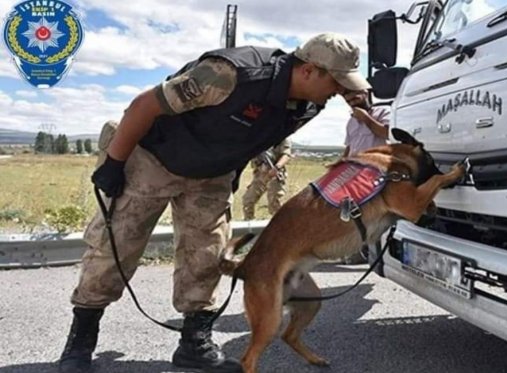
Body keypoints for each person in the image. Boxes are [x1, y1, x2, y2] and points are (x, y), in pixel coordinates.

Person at [58, 32, 371, 373]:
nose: (341, 91)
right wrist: (114, 163)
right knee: (116, 245)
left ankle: (194, 343)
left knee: (208, 254)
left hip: (211, 175)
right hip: (154, 159)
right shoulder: (231, 73)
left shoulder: (310, 103)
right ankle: (81, 342)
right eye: (338, 82)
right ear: (309, 71)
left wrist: (232, 172)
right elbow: (143, 106)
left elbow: (257, 135)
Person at [341, 89, 390, 264]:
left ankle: (376, 255)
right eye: (346, 97)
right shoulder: (350, 122)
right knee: (354, 215)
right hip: (354, 177)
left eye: (354, 95)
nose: (350, 99)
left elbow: (387, 133)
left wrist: (366, 119)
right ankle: (359, 252)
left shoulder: (383, 111)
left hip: (376, 175)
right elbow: (349, 147)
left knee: (374, 216)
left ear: (367, 92)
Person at [242, 138, 292, 220]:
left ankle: (279, 226)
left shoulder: (282, 136)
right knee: (248, 200)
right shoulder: (260, 136)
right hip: (260, 174)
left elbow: (286, 155)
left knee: (274, 204)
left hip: (274, 174)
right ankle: (249, 224)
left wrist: (276, 167)